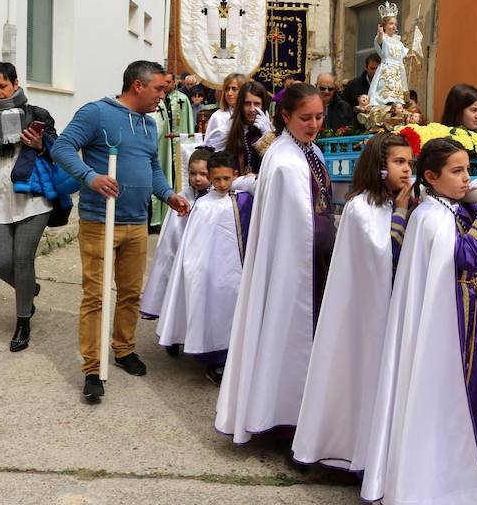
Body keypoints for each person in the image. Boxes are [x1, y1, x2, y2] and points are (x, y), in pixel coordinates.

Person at [362, 138, 477, 505]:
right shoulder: (433, 216)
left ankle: (448, 475)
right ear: (431, 177)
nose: (467, 178)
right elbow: (471, 256)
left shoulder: (451, 209)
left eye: (468, 169)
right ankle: (434, 482)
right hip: (445, 328)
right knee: (443, 401)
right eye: (457, 171)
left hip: (458, 319)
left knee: (460, 402)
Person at [51, 60, 191, 402]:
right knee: (96, 295)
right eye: (159, 88)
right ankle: (91, 367)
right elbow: (61, 147)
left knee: (130, 293)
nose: (163, 95)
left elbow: (151, 167)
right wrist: (90, 177)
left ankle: (124, 349)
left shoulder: (148, 123)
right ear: (138, 86)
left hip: (136, 222)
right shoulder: (96, 113)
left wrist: (168, 194)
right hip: (101, 221)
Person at [214, 82, 336, 443]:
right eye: (305, 118)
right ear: (285, 117)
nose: (314, 124)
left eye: (319, 116)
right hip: (294, 269)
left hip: (316, 261)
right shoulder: (284, 161)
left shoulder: (310, 151)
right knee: (288, 335)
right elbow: (295, 226)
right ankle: (283, 416)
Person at [292, 132, 414, 471]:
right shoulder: (362, 207)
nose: (407, 170)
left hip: (385, 307)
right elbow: (385, 253)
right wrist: (403, 212)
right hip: (362, 313)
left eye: (410, 163)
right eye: (398, 162)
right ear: (379, 166)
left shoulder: (392, 202)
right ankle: (346, 450)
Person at [0, 62, 55, 352]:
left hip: (33, 200)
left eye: (2, 85)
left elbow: (59, 150)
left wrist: (42, 144)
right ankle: (29, 289)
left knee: (21, 260)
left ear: (16, 84)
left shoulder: (38, 115)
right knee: (1, 263)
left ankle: (22, 321)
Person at [156, 150, 254, 384]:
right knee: (212, 312)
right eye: (216, 178)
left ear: (235, 176)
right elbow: (194, 244)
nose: (221, 183)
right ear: (210, 177)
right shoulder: (203, 205)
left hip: (237, 271)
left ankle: (233, 356)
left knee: (235, 311)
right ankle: (214, 359)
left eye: (226, 178)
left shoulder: (245, 200)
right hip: (209, 273)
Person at [139, 148, 213, 323]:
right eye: (193, 173)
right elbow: (172, 234)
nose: (197, 178)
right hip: (182, 255)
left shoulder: (217, 198)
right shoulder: (182, 198)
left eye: (203, 174)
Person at [150, 71, 194, 228]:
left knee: (175, 179)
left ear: (174, 82)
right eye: (164, 82)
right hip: (162, 146)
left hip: (177, 147)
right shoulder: (157, 101)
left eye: (169, 82)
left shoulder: (182, 100)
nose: (167, 85)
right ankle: (157, 218)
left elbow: (188, 123)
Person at [206, 81, 275, 175]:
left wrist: (267, 135)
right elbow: (213, 164)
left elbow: (275, 163)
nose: (252, 109)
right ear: (240, 105)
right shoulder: (227, 129)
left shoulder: (268, 129)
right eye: (247, 103)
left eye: (257, 104)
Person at [367, 2, 412, 107]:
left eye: (395, 24)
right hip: (387, 71)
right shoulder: (383, 38)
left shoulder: (398, 42)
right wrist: (380, 33)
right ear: (384, 26)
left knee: (397, 94)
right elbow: (378, 41)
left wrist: (408, 56)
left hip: (397, 71)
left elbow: (402, 54)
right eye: (391, 24)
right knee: (386, 94)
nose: (394, 26)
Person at [203, 73, 246, 145]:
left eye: (234, 89)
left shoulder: (250, 113)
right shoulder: (217, 117)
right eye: (227, 89)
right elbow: (208, 146)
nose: (229, 93)